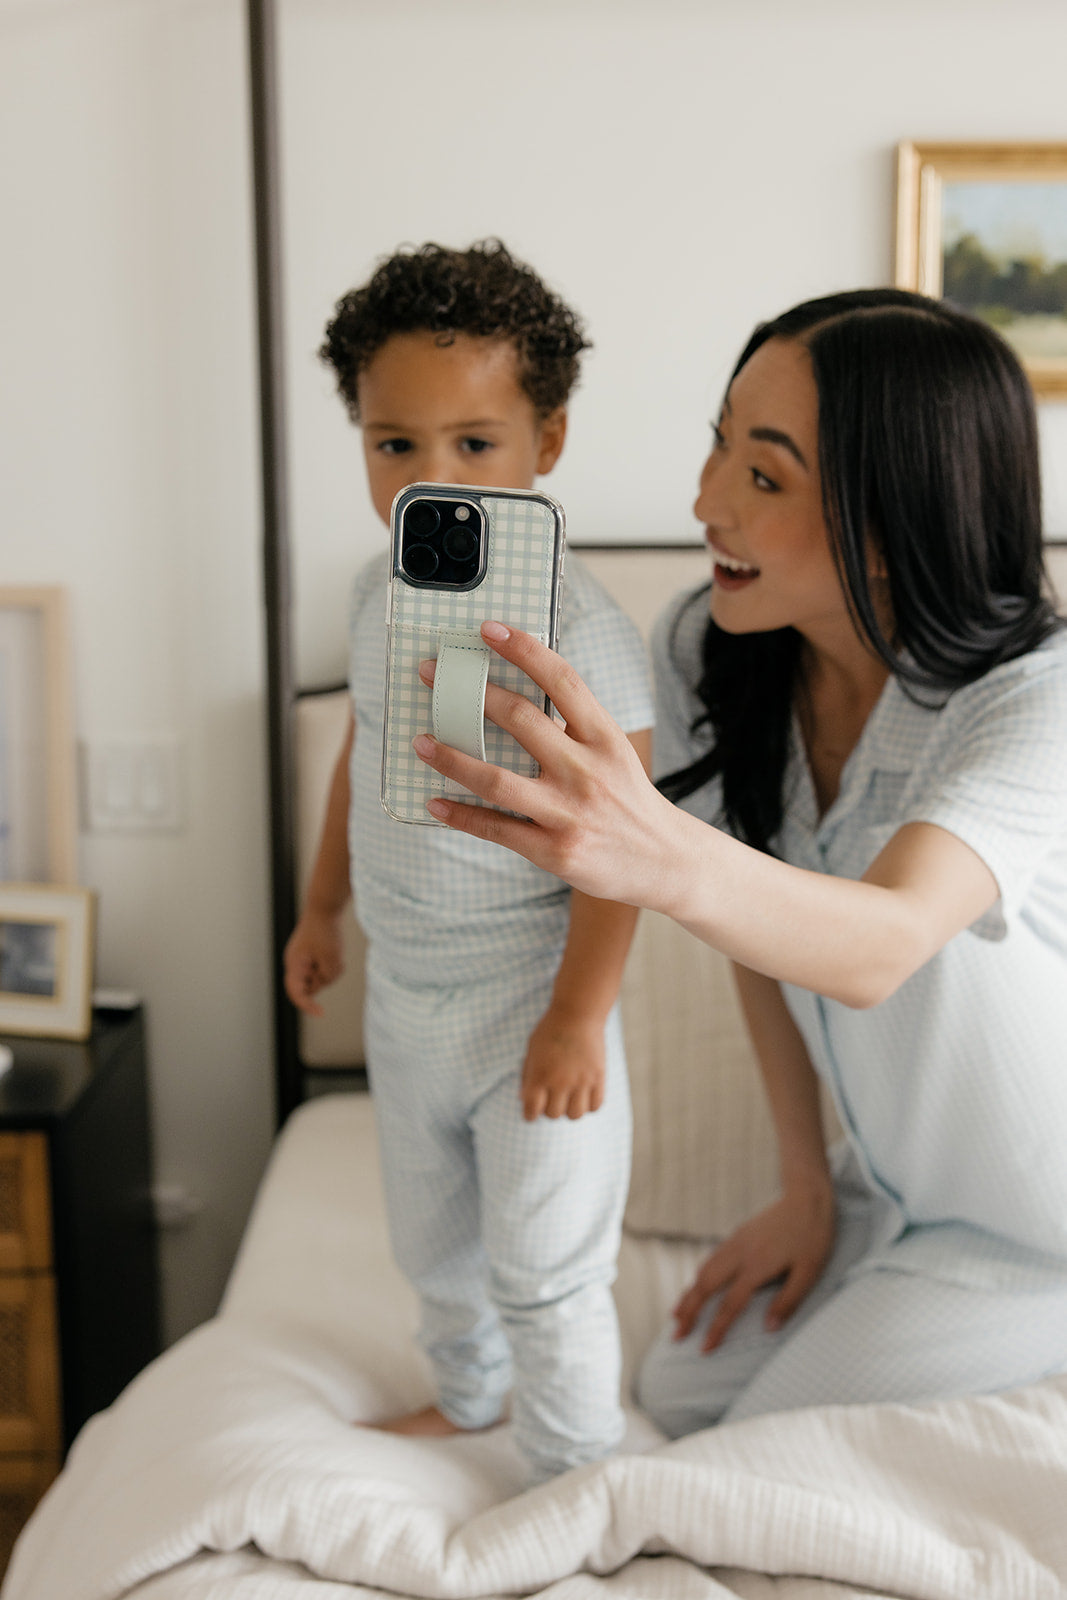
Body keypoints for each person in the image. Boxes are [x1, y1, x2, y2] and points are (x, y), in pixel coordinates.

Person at [412, 287, 1067, 1436]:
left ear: (889, 515)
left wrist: (650, 851)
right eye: (718, 444)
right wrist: (805, 1187)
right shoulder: (710, 650)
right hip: (894, 1198)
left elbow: (882, 940)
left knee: (749, 1444)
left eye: (762, 477)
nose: (704, 502)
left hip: (1035, 1232)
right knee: (674, 1389)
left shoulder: (1031, 700)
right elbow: (753, 937)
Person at [283, 240, 654, 1482]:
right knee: (434, 1245)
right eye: (395, 445)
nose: (431, 478)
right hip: (405, 993)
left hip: (527, 1004)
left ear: (545, 441)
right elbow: (359, 753)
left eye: (474, 444)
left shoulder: (584, 638)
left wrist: (576, 1018)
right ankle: (468, 1392)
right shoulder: (375, 596)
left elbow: (624, 859)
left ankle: (571, 1471)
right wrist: (322, 900)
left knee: (544, 1266)